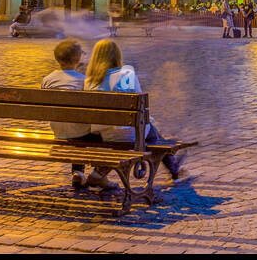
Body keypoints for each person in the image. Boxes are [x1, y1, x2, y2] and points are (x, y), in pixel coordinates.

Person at [84, 39, 185, 178]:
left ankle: (98, 173)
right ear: (117, 55)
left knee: (150, 131)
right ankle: (174, 169)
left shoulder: (89, 80)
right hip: (130, 133)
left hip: (106, 134)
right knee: (154, 135)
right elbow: (139, 106)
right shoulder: (126, 74)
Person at [41, 39, 112, 190]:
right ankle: (99, 174)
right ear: (78, 59)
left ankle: (78, 173)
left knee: (75, 125)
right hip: (81, 133)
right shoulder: (84, 81)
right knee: (111, 136)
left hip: (59, 132)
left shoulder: (47, 80)